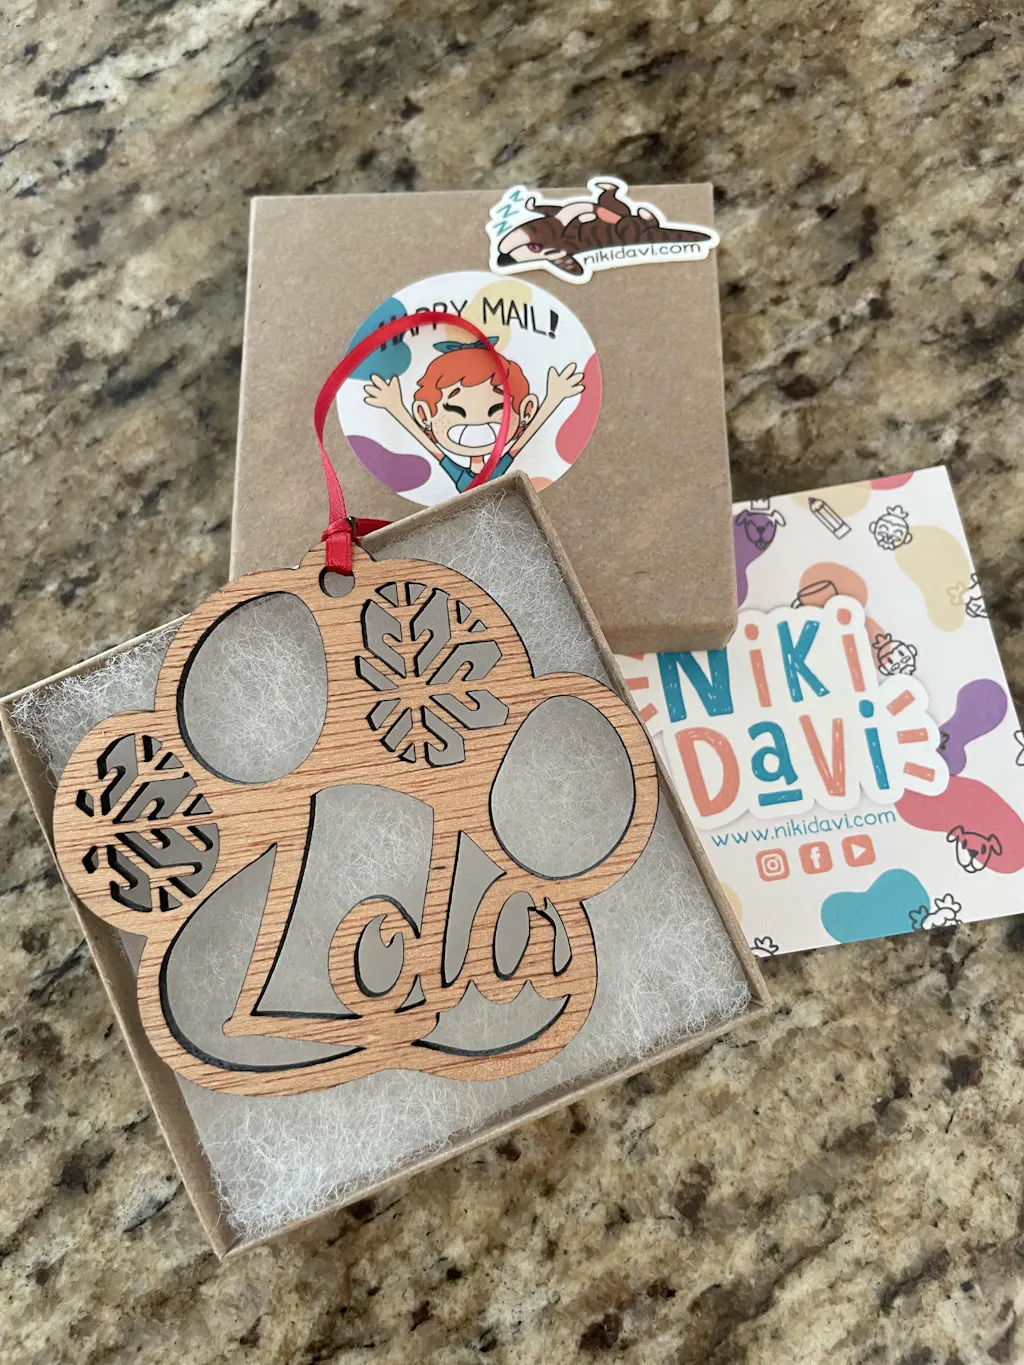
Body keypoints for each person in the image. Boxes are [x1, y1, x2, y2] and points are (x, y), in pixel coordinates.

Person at [363, 339, 583, 492]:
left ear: (526, 411)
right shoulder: (468, 473)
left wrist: (554, 399)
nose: (476, 424)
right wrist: (395, 408)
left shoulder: (495, 470)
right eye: (455, 410)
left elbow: (523, 439)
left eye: (496, 409)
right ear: (423, 416)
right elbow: (429, 446)